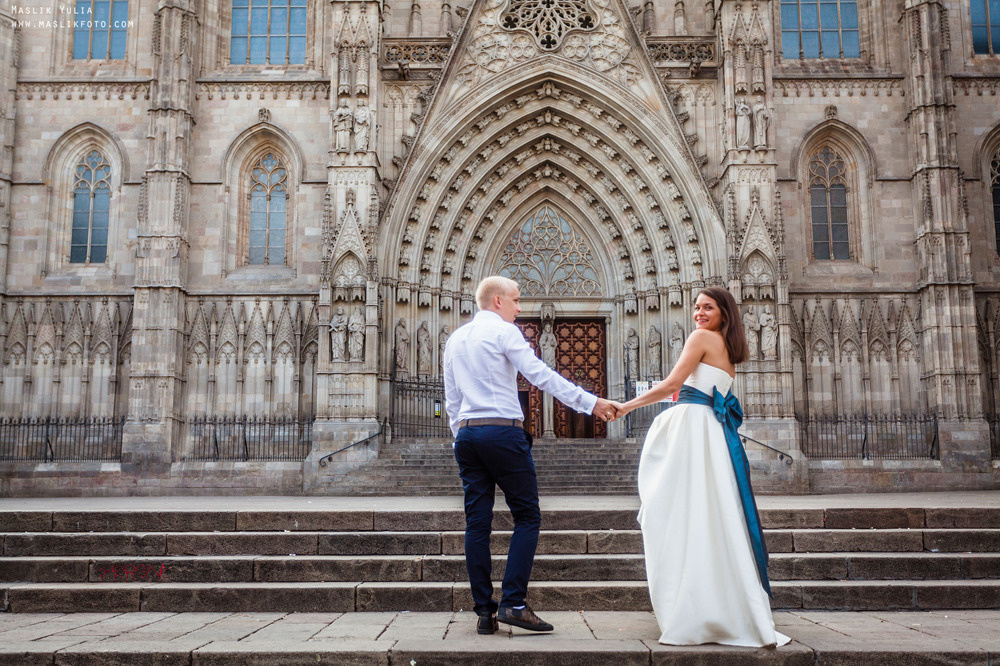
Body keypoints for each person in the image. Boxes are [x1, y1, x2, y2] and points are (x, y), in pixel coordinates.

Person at [614, 287, 790, 648]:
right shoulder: (729, 349)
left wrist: (625, 407)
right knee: (711, 518)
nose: (698, 313)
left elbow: (673, 385)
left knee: (677, 515)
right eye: (696, 307)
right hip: (711, 434)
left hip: (694, 431)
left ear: (724, 312)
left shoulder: (701, 338)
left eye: (707, 307)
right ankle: (717, 607)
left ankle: (694, 609)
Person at [443, 276, 619, 635]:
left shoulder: (455, 340)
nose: (521, 308)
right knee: (527, 516)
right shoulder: (506, 333)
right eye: (517, 300)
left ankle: (483, 612)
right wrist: (590, 402)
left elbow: (452, 400)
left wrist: (460, 436)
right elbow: (540, 375)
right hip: (503, 433)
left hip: (468, 435)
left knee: (477, 523)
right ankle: (514, 603)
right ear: (497, 301)